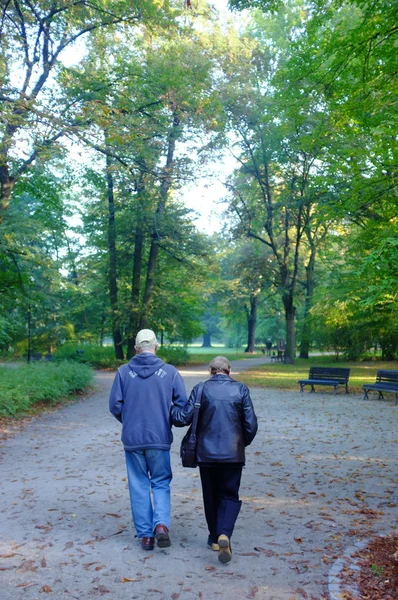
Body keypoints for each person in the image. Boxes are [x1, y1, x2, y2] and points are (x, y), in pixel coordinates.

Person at [172, 356, 258, 564]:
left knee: (210, 495)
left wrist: (168, 408)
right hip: (232, 454)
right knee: (229, 494)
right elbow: (251, 425)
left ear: (211, 371)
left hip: (207, 455)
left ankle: (213, 538)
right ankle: (224, 534)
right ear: (229, 370)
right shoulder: (241, 390)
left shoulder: (201, 389)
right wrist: (240, 444)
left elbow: (182, 418)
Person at [109, 329, 187, 551]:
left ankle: (145, 536)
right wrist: (165, 417)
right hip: (159, 437)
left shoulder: (123, 372)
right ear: (156, 347)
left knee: (138, 484)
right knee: (160, 481)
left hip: (133, 438)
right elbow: (181, 405)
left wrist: (129, 420)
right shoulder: (170, 372)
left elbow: (115, 405)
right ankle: (161, 524)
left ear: (136, 348)